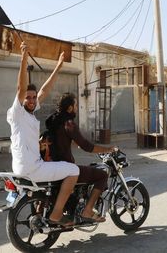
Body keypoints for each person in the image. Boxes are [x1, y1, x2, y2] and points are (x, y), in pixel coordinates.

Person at [7, 41, 79, 226]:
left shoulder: (29, 112)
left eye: (33, 97)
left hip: (26, 166)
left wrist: (58, 66)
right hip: (32, 168)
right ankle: (56, 214)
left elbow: (45, 90)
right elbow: (20, 89)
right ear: (21, 100)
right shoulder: (17, 112)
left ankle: (47, 207)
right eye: (28, 98)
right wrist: (24, 56)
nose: (31, 100)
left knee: (57, 165)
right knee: (74, 170)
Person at [45, 92, 115, 223]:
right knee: (102, 175)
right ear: (70, 108)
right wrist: (108, 149)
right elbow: (87, 146)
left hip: (52, 165)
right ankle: (88, 210)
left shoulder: (54, 121)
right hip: (66, 167)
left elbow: (60, 139)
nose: (77, 107)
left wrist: (72, 141)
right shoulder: (69, 123)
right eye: (76, 105)